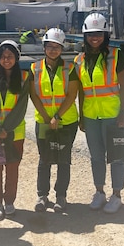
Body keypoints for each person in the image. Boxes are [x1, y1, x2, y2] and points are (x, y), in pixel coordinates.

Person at [74, 13, 124, 214]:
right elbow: (81, 90)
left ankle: (116, 195)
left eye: (99, 33)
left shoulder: (116, 55)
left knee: (116, 157)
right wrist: (81, 116)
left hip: (114, 116)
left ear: (105, 34)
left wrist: (122, 113)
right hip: (91, 117)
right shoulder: (79, 60)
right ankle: (99, 192)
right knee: (96, 157)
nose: (94, 38)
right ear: (85, 36)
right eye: (90, 34)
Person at [29, 28, 79, 213]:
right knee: (45, 159)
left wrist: (57, 117)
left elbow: (72, 94)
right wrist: (46, 118)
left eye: (57, 47)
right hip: (43, 122)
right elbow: (33, 95)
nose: (53, 50)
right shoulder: (35, 68)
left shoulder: (70, 68)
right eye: (49, 46)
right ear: (44, 47)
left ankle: (61, 196)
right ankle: (42, 195)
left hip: (67, 121)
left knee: (63, 159)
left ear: (62, 48)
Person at [0, 40, 30, 221]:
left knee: (12, 169)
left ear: (16, 58)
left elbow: (21, 108)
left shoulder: (25, 78)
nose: (6, 59)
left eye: (10, 56)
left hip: (14, 135)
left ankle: (9, 201)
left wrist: (6, 131)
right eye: (3, 56)